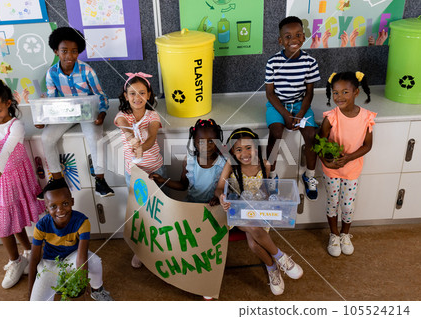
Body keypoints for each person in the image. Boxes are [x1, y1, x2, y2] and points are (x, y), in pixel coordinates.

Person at [0, 78, 44, 289]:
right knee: (3, 223)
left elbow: (6, 151)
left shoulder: (17, 126)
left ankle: (29, 252)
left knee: (16, 219)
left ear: (8, 104)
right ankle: (16, 260)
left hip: (12, 177)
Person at [215, 128, 303, 296]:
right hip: (238, 212)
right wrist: (222, 197)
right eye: (238, 149)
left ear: (256, 147)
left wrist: (276, 202)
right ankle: (281, 257)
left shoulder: (265, 164)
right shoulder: (231, 165)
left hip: (259, 211)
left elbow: (265, 190)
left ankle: (272, 267)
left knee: (253, 244)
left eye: (249, 147)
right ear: (232, 151)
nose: (245, 153)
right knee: (254, 229)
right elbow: (219, 188)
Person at [36, 26, 114, 198]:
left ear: (79, 52)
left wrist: (102, 113)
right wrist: (44, 119)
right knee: (46, 137)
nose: (69, 56)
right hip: (66, 112)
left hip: (88, 112)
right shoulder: (52, 73)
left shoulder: (87, 71)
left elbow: (100, 95)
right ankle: (57, 179)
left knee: (95, 137)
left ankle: (100, 180)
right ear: (56, 51)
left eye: (74, 51)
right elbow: (51, 100)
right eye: (64, 51)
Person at [28, 178, 113, 301]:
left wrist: (82, 282)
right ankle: (57, 284)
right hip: (50, 265)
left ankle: (97, 291)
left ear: (72, 201)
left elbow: (82, 254)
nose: (60, 210)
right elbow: (35, 258)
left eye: (65, 203)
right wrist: (31, 291)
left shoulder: (82, 221)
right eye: (53, 206)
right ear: (46, 207)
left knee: (94, 261)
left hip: (73, 260)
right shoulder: (41, 226)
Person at [265, 16, 321, 201]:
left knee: (312, 135)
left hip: (300, 105)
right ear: (281, 41)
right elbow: (270, 94)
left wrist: (299, 115)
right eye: (288, 37)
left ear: (303, 37)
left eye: (297, 35)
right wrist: (286, 115)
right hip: (278, 105)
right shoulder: (273, 62)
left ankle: (309, 176)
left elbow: (309, 93)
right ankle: (271, 177)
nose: (293, 40)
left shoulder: (310, 62)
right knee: (276, 132)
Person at [321, 71, 376, 257]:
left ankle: (345, 234)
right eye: (335, 92)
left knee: (347, 205)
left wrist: (349, 158)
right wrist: (327, 159)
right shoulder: (331, 117)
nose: (339, 97)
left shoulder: (366, 117)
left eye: (345, 92)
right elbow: (319, 142)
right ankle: (334, 235)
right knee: (332, 202)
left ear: (356, 92)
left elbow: (368, 145)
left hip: (352, 169)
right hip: (332, 169)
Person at [114, 72, 165, 269]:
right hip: (135, 175)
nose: (137, 98)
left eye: (142, 93)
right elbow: (124, 127)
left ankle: (162, 248)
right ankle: (141, 251)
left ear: (149, 95)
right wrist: (131, 138)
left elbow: (152, 136)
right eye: (132, 93)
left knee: (159, 211)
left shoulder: (153, 115)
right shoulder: (122, 116)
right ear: (126, 96)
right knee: (141, 214)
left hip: (156, 171)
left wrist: (143, 146)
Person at [150, 118, 226, 205]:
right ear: (195, 143)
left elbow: (224, 189)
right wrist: (163, 180)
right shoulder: (190, 161)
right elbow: (183, 185)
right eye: (201, 142)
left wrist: (218, 198)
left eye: (211, 141)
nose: (206, 146)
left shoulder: (222, 163)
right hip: (191, 205)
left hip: (213, 206)